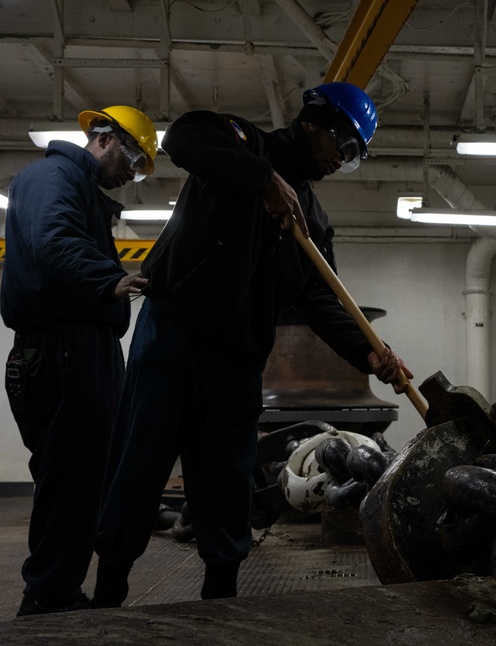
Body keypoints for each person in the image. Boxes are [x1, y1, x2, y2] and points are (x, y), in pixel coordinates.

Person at [91, 82, 413, 607]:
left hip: (237, 362)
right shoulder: (242, 142)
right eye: (344, 147)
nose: (341, 161)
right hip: (173, 337)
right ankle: (108, 593)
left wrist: (368, 352)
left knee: (225, 481)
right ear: (314, 123)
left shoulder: (312, 221)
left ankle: (222, 599)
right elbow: (184, 137)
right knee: (139, 463)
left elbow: (318, 296)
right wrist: (262, 180)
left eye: (353, 156)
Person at [0, 106, 157, 615]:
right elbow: (54, 239)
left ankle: (56, 590)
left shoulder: (79, 186)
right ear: (107, 139)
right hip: (64, 351)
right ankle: (48, 598)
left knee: (77, 480)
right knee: (70, 482)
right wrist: (108, 278)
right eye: (132, 163)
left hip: (74, 348)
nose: (130, 177)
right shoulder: (54, 176)